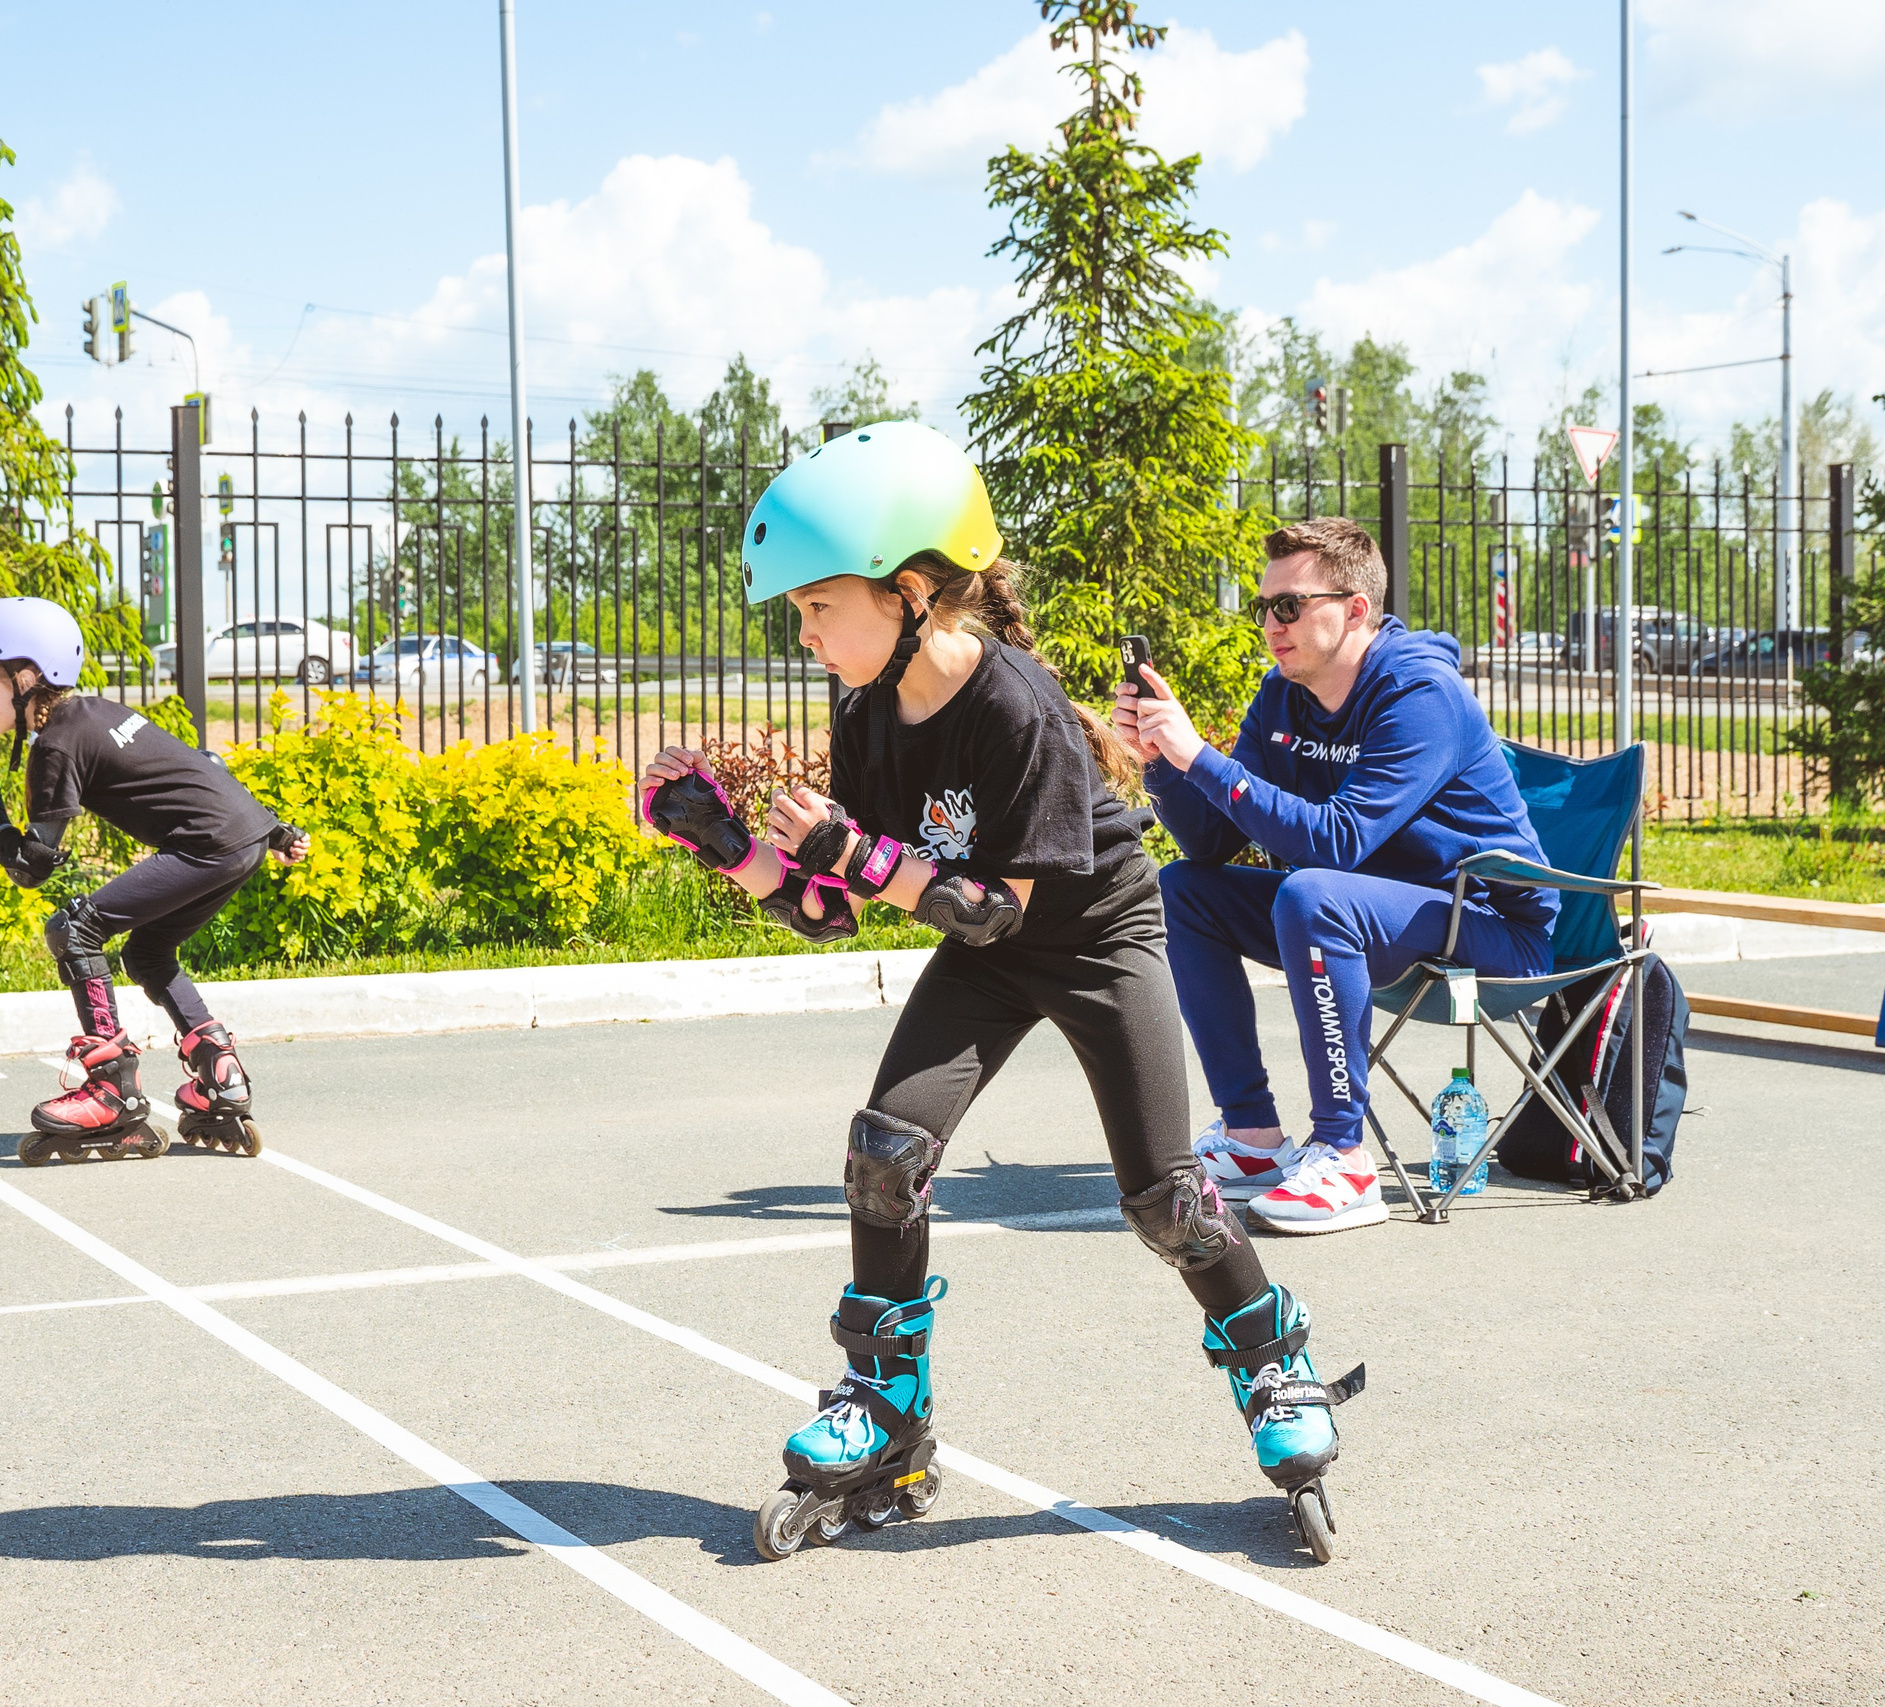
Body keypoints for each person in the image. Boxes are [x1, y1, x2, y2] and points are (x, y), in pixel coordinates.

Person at [644, 423, 1361, 1562]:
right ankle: (884, 1408)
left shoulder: (1013, 708)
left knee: (1165, 1199)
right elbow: (835, 905)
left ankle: (1277, 1367)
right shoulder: (870, 704)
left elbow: (992, 909)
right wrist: (733, 849)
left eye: (821, 606)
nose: (808, 634)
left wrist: (859, 854)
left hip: (1092, 938)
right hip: (988, 945)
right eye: (800, 616)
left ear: (913, 593)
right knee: (886, 1150)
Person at [1118, 518, 1556, 1234]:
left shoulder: (1420, 694)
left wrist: (1202, 757)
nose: (1270, 623)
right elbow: (1210, 843)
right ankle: (1254, 1140)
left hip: (1488, 925)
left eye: (1289, 605)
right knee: (1184, 893)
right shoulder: (1282, 696)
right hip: (1368, 913)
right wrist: (1162, 761)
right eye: (1264, 606)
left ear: (1356, 608)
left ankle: (1345, 1156)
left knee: (1314, 892)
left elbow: (1340, 841)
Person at [0, 596, 310, 1164]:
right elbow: (199, 765)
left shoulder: (56, 745)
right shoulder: (94, 712)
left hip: (207, 845)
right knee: (149, 954)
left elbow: (31, 868)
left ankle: (112, 1088)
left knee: (73, 930)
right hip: (238, 840)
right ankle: (220, 1073)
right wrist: (273, 830)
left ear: (25, 679)